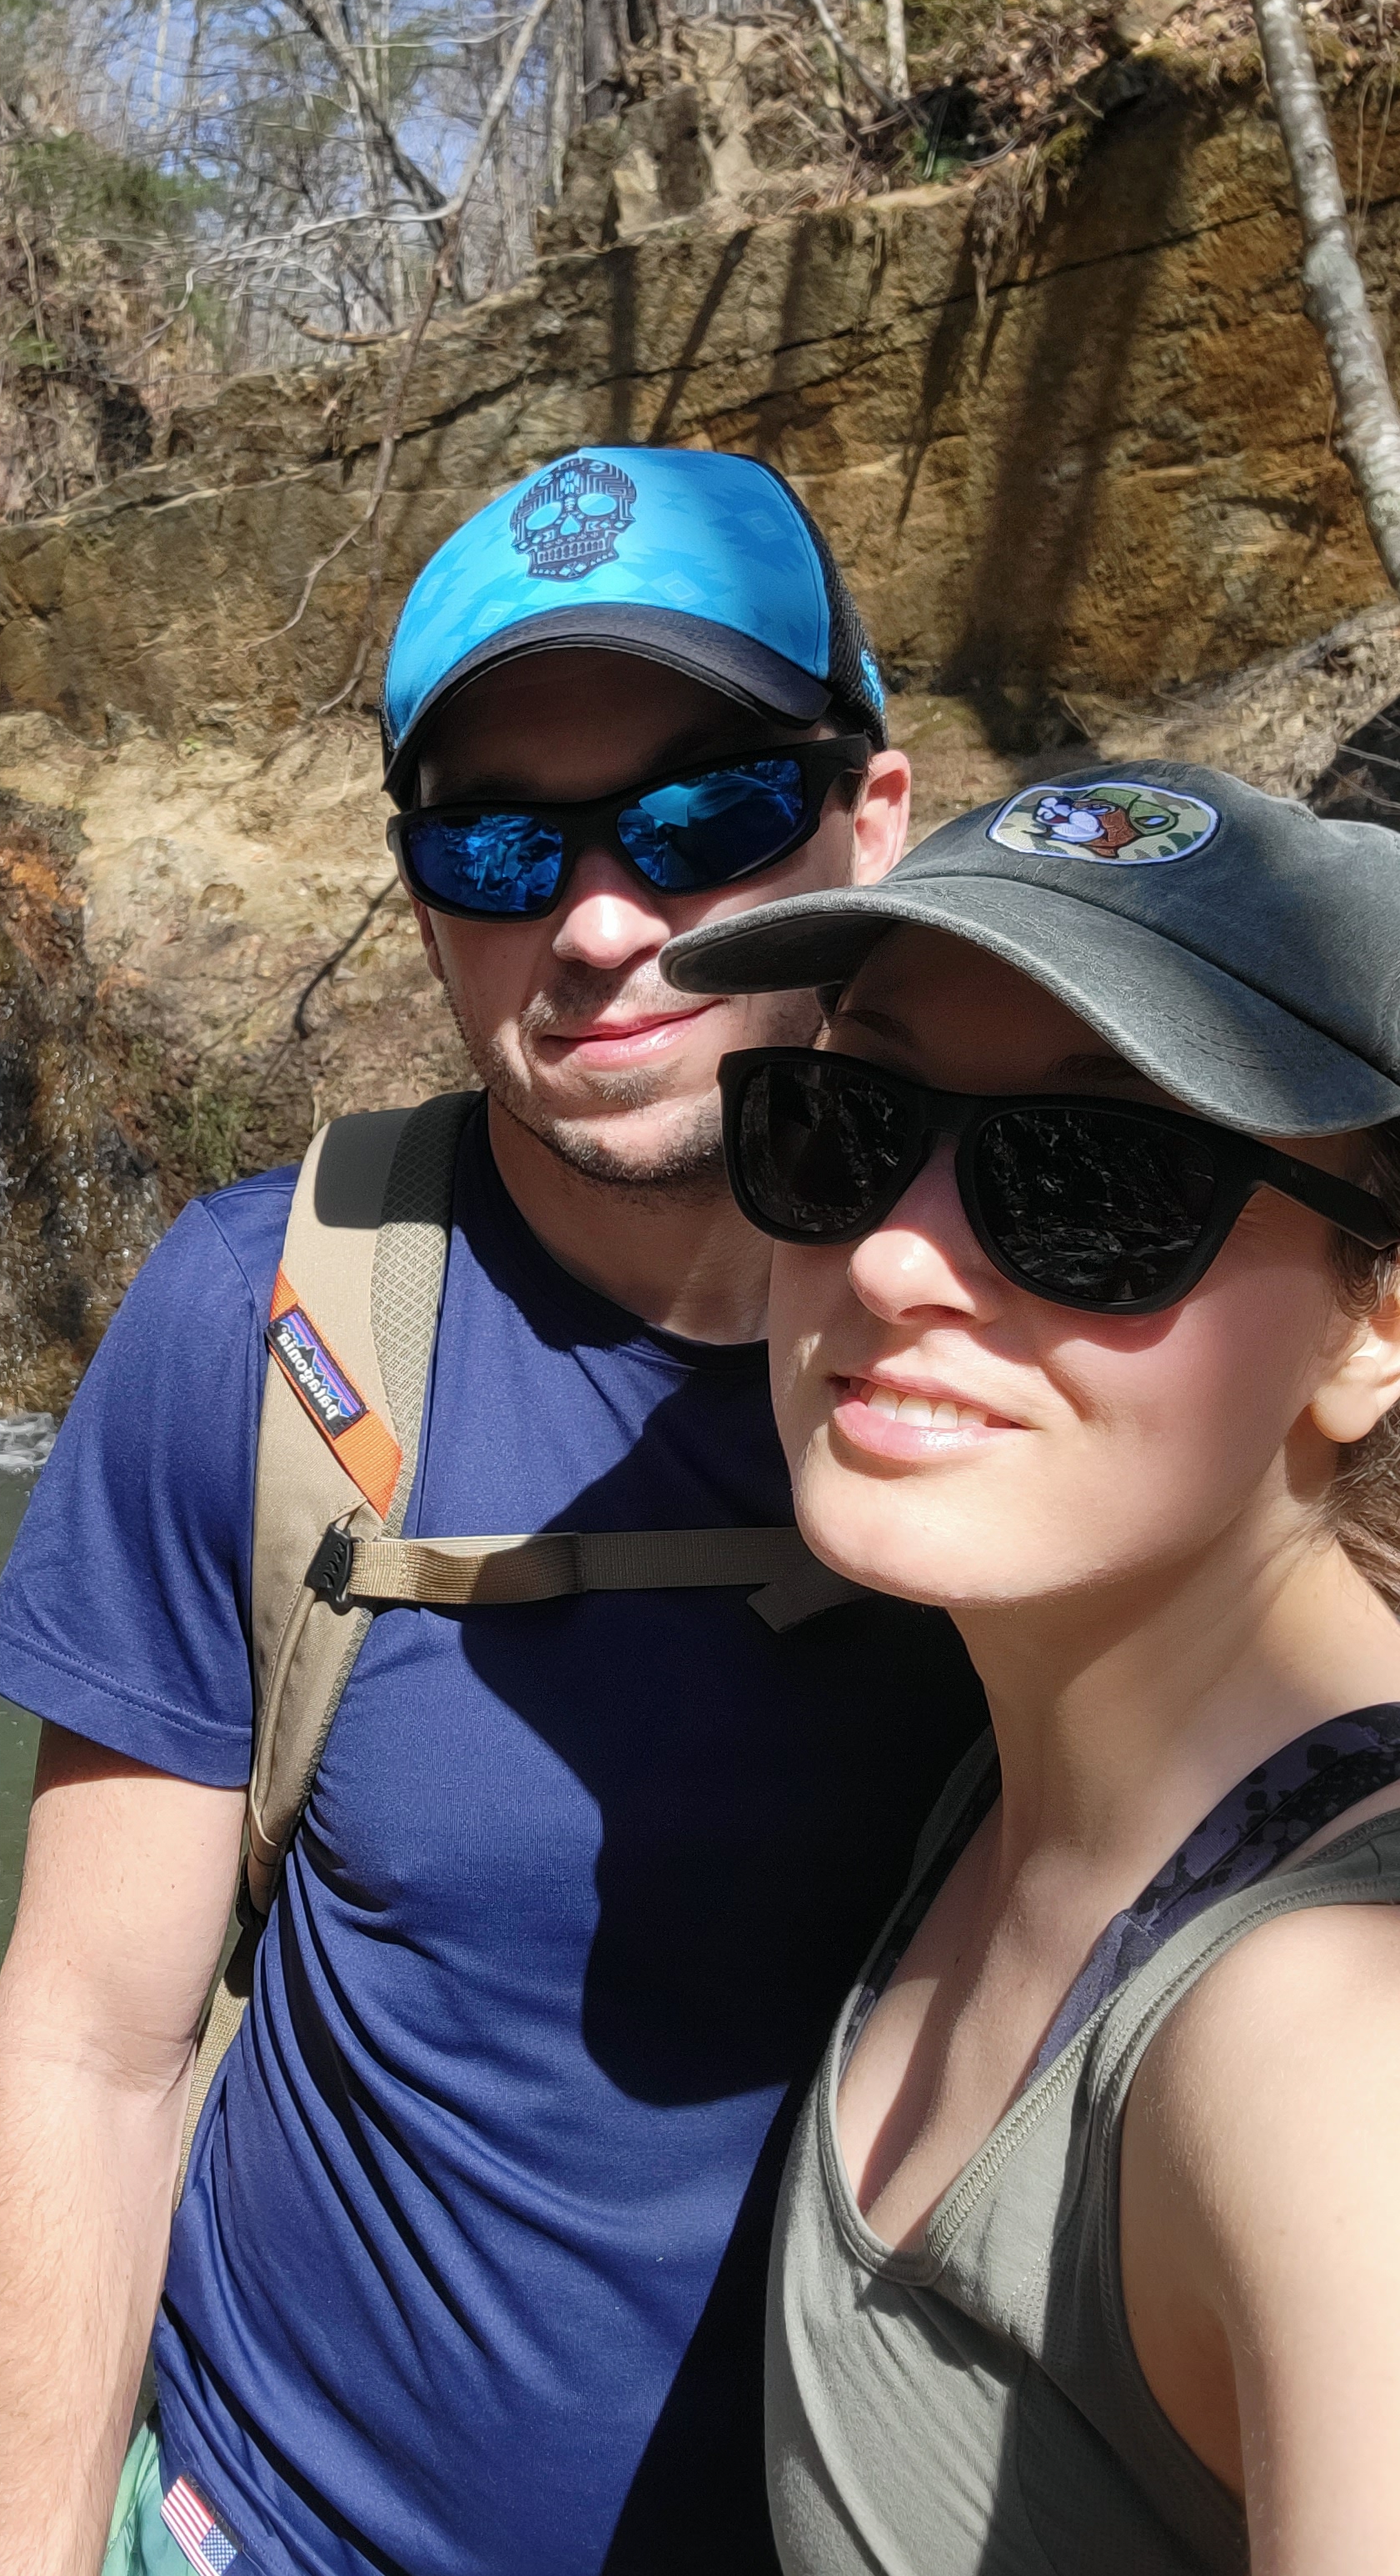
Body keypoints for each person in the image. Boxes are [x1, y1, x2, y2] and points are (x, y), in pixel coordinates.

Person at [0, 446, 985, 2576]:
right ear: (425, 897)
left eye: (704, 815)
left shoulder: (1084, 1324)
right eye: (503, 844)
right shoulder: (262, 1322)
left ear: (873, 818)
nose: (602, 923)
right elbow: (91, 2043)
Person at [660, 762, 1400, 2574]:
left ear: (1375, 1325)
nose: (898, 1252)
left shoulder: (1331, 2054)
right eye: (844, 1124)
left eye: (1094, 1178)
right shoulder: (1018, 1760)